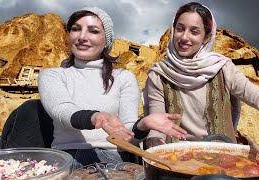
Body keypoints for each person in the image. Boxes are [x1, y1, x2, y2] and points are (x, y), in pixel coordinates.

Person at [38, 6, 186, 167]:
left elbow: (129, 138)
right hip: (68, 157)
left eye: (93, 31)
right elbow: (62, 110)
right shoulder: (52, 75)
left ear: (106, 41)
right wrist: (96, 117)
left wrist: (143, 125)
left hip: (113, 159)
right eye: (76, 29)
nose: (82, 37)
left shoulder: (123, 77)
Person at [143, 2, 259, 148]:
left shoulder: (222, 68)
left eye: (194, 31)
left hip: (224, 159)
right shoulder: (159, 74)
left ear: (206, 37)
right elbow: (159, 124)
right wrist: (155, 143)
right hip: (176, 160)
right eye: (180, 29)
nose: (184, 37)